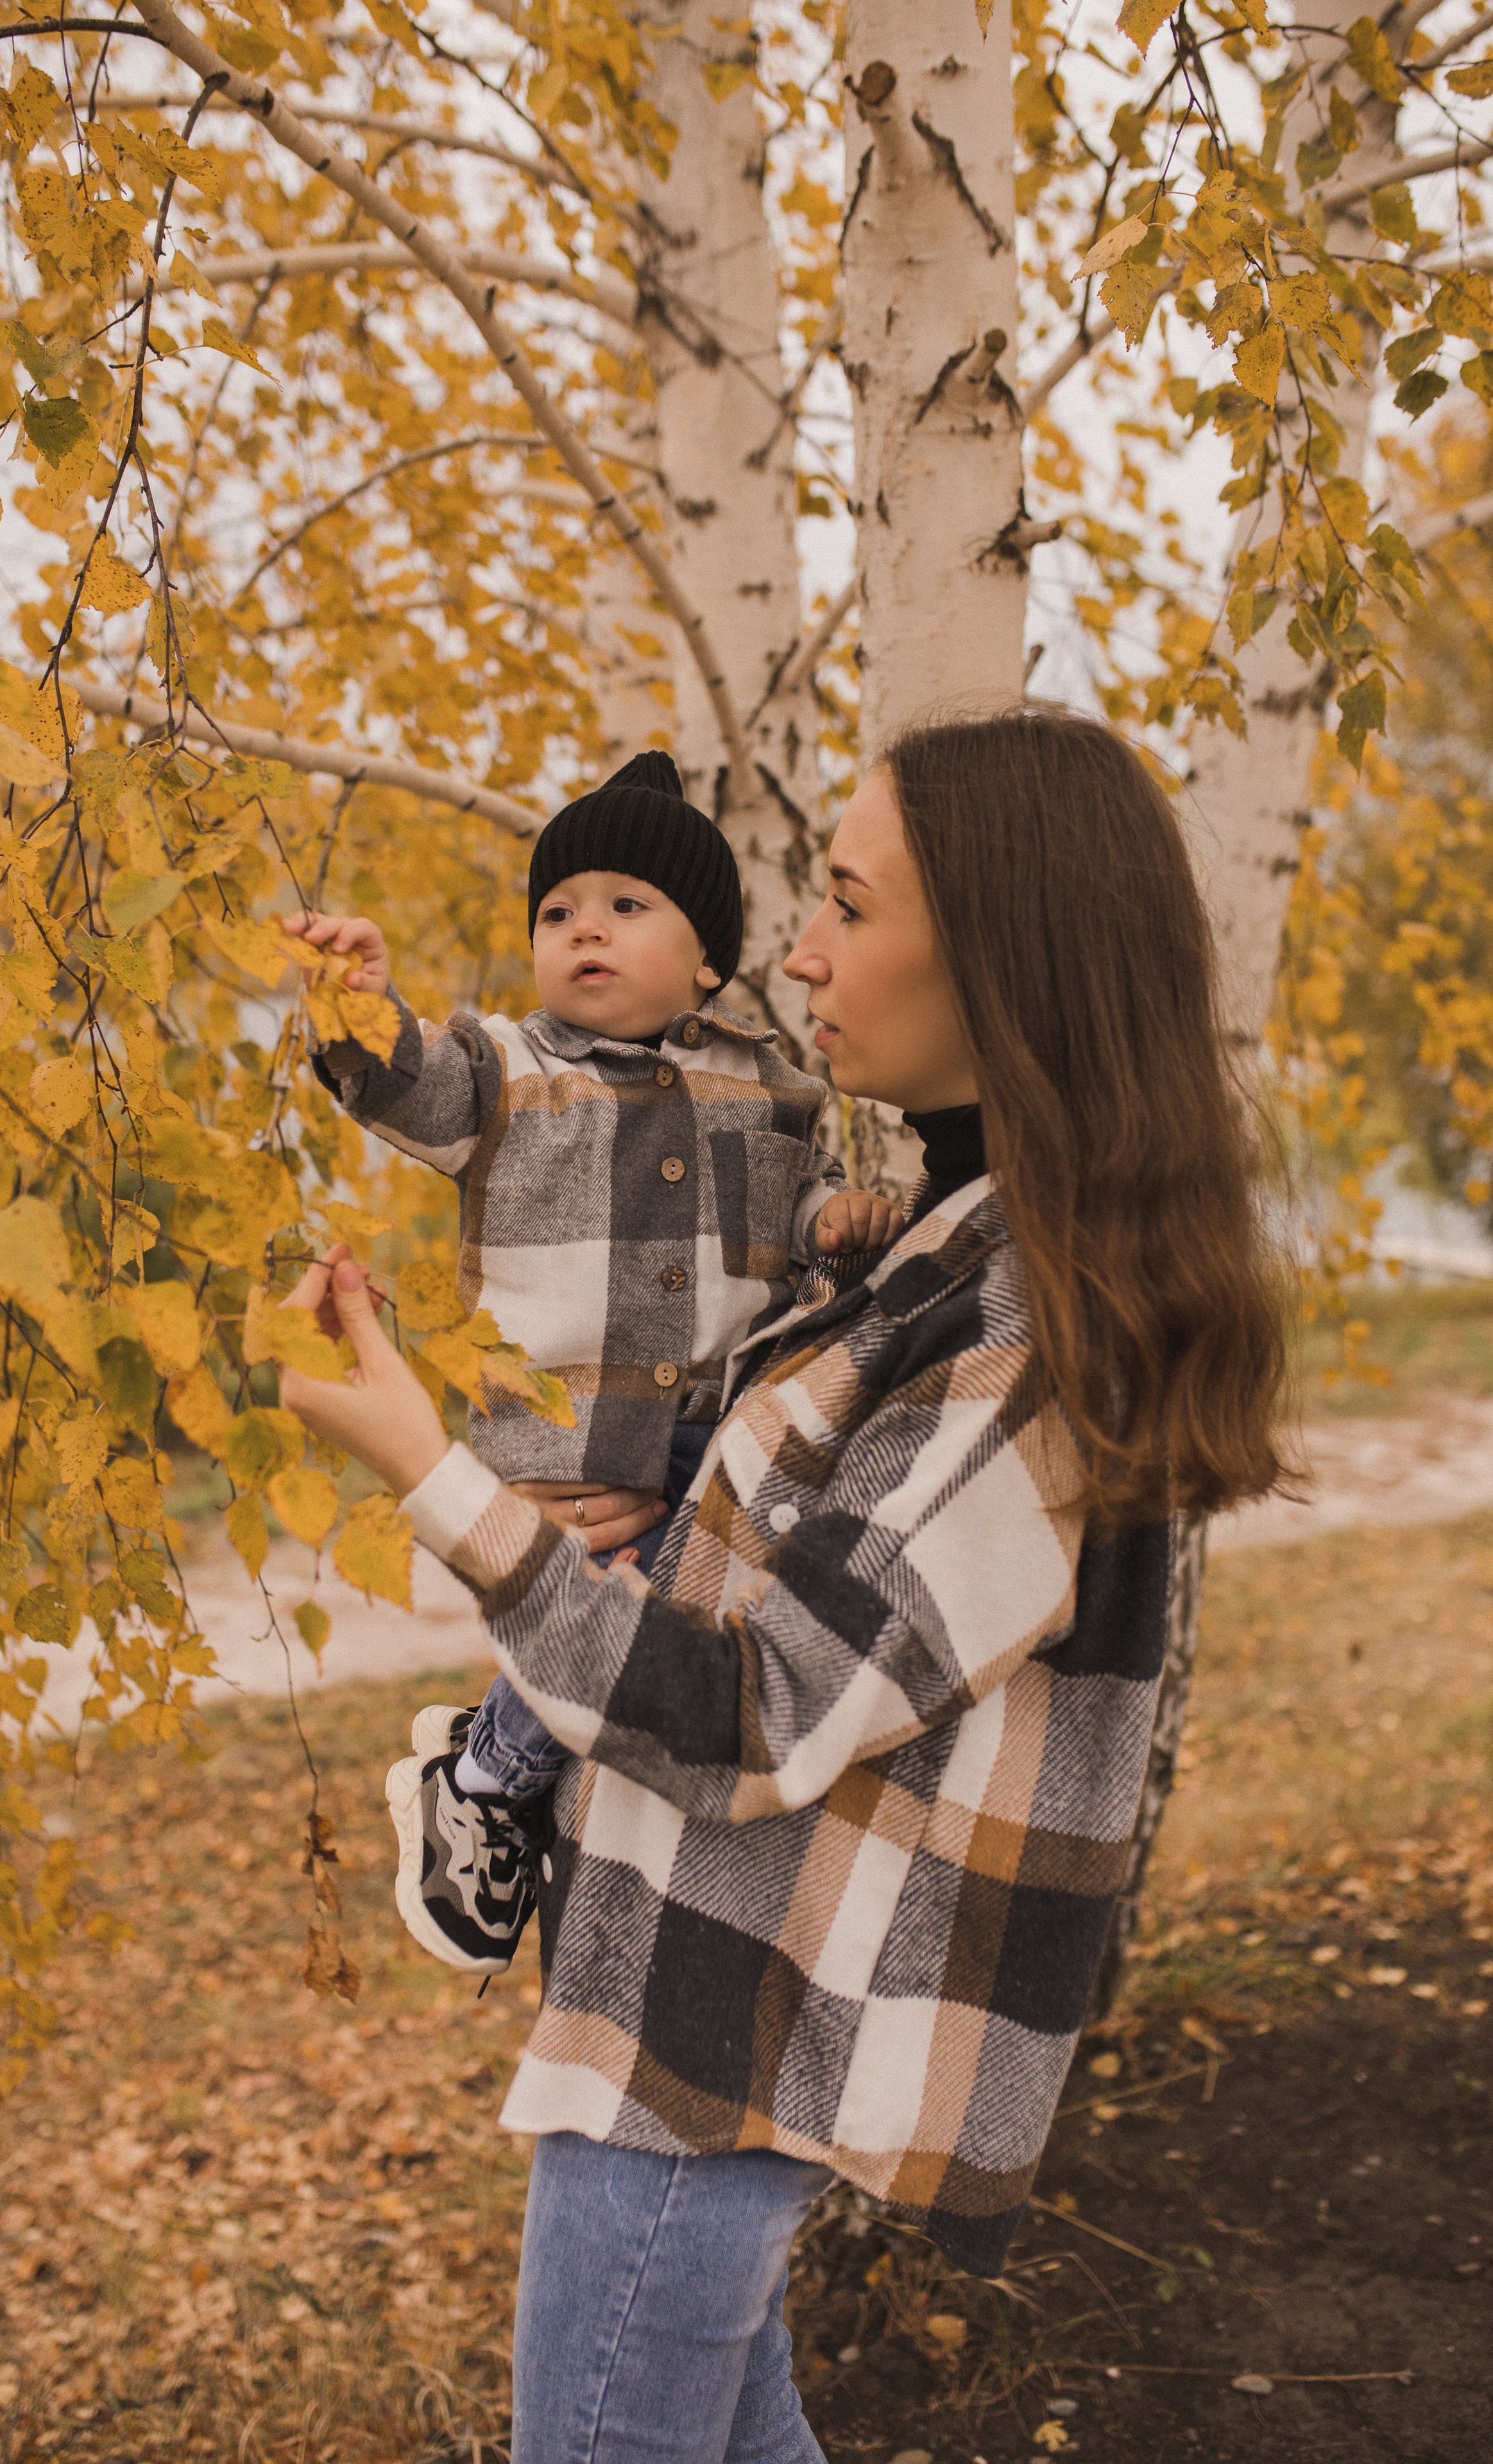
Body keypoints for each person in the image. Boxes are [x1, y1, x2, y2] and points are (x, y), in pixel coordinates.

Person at [277, 708, 1287, 2464]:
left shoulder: (1039, 1334)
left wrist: (431, 1473)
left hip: (729, 2049)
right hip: (687, 1998)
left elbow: (755, 1709)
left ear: (1003, 951)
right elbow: (458, 1094)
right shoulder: (936, 1246)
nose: (804, 953)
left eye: (847, 902)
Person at [283, 750, 901, 1976]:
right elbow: (408, 1084)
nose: (585, 933)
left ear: (709, 959)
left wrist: (837, 1224)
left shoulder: (777, 1092)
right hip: (565, 1440)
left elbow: (799, 1224)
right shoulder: (508, 1070)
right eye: (559, 913)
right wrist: (356, 1009)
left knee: (679, 1627)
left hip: (719, 1433)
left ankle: (516, 1779)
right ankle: (489, 1775)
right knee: (609, 1597)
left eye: (627, 907)